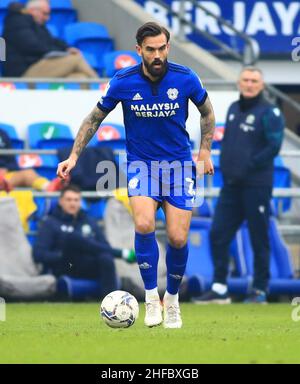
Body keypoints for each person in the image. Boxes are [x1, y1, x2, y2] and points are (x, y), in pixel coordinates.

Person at [57, 22, 215, 328]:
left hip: (179, 165)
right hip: (141, 165)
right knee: (143, 224)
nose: (158, 55)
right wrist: (74, 156)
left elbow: (207, 112)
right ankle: (151, 297)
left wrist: (204, 152)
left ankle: (172, 300)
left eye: (162, 48)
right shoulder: (123, 81)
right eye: (151, 49)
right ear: (139, 49)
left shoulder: (185, 77)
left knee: (178, 237)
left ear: (168, 47)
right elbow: (95, 118)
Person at [193, 67, 285, 305]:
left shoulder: (270, 112)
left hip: (256, 186)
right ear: (238, 82)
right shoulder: (234, 108)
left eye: (254, 80)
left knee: (258, 238)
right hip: (231, 187)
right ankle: (220, 287)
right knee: (218, 234)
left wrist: (247, 167)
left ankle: (260, 289)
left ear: (262, 85)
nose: (250, 84)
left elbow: (273, 147)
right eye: (245, 79)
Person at [33, 185, 136, 298]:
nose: (73, 203)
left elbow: (103, 245)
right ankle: (122, 253)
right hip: (65, 264)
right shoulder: (50, 223)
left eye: (76, 200)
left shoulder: (88, 221)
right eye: (69, 200)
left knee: (105, 257)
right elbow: (38, 254)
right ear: (61, 201)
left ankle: (111, 302)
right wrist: (61, 255)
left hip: (86, 264)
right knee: (73, 238)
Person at [2, 0, 98, 78]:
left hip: (39, 67)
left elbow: (52, 41)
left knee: (79, 77)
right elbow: (33, 46)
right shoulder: (16, 21)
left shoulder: (37, 26)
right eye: (45, 13)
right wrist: (63, 53)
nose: (47, 18)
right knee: (75, 58)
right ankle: (106, 93)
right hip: (23, 73)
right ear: (32, 10)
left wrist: (66, 48)